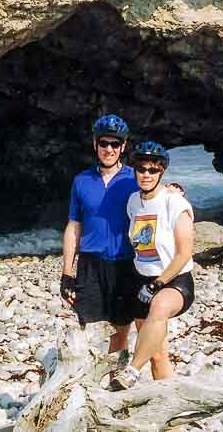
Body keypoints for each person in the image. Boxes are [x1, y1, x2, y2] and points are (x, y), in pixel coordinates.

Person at [109, 141, 195, 391]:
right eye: (141, 169)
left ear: (162, 172)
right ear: (134, 170)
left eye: (153, 170)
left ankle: (132, 371)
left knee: (158, 308)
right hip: (141, 279)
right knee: (158, 356)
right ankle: (173, 423)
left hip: (173, 280)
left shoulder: (175, 203)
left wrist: (157, 284)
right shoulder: (133, 201)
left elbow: (184, 253)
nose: (146, 174)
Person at [60, 114, 139, 354]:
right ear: (95, 144)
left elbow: (158, 199)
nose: (109, 149)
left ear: (123, 146)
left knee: (120, 328)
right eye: (104, 143)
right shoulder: (81, 181)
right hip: (89, 264)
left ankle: (115, 382)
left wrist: (176, 190)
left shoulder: (135, 179)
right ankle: (83, 383)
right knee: (88, 328)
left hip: (124, 263)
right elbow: (74, 226)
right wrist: (66, 273)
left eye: (115, 143)